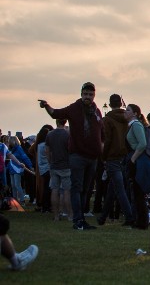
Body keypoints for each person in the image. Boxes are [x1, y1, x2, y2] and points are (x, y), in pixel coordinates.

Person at [39, 82, 104, 231]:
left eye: (90, 94)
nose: (88, 97)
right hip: (78, 155)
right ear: (81, 94)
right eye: (85, 94)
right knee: (77, 188)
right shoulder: (74, 108)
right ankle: (78, 220)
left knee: (85, 189)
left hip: (92, 157)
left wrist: (102, 150)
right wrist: (47, 106)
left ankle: (81, 219)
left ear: (94, 95)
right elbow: (56, 113)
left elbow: (102, 133)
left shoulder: (97, 111)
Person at [98, 94, 135, 227]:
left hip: (112, 156)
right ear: (120, 103)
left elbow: (107, 139)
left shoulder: (107, 120)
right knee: (113, 187)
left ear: (110, 103)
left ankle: (130, 217)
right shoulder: (125, 118)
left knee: (118, 188)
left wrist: (103, 156)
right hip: (123, 155)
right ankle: (102, 217)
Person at [45, 118, 71, 221]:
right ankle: (69, 214)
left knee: (54, 190)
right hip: (66, 165)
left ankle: (56, 215)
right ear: (65, 122)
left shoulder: (50, 134)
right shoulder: (68, 134)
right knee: (66, 191)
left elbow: (47, 151)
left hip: (54, 165)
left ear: (57, 122)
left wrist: (50, 161)